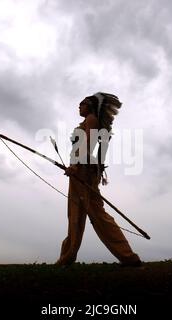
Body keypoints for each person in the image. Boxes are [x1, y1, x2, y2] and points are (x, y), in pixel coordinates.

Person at [55, 92, 142, 267]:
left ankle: (128, 257)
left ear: (90, 106)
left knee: (89, 214)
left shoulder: (91, 120)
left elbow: (85, 145)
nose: (79, 107)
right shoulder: (89, 121)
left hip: (83, 170)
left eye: (82, 104)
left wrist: (76, 166)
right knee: (78, 214)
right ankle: (68, 257)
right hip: (83, 168)